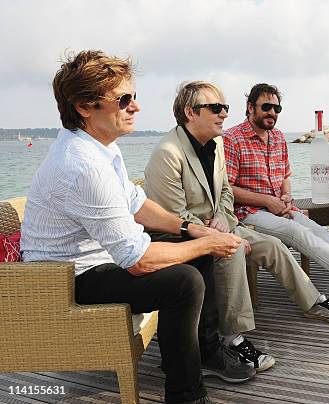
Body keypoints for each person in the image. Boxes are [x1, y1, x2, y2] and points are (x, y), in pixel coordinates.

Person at [19, 50, 245, 404]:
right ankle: (186, 394)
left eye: (133, 97)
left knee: (193, 256)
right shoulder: (84, 166)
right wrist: (209, 243)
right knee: (183, 282)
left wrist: (191, 229)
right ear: (84, 106)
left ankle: (200, 354)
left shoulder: (100, 148)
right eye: (124, 99)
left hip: (93, 261)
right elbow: (137, 260)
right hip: (63, 280)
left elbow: (136, 203)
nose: (135, 107)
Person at [144, 81, 329, 368]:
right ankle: (233, 338)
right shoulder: (169, 153)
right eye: (215, 108)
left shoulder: (215, 144)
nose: (223, 115)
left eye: (225, 108)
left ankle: (312, 302)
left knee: (274, 245)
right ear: (189, 112)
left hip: (219, 224)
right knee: (231, 253)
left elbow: (226, 194)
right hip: (182, 237)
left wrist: (223, 220)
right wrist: (216, 234)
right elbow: (173, 216)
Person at [223, 83, 329, 306]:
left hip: (281, 208)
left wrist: (286, 197)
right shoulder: (232, 139)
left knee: (318, 233)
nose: (272, 113)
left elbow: (285, 175)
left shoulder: (277, 137)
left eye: (277, 109)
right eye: (266, 107)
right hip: (248, 213)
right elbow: (227, 189)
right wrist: (268, 201)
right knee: (296, 231)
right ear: (250, 107)